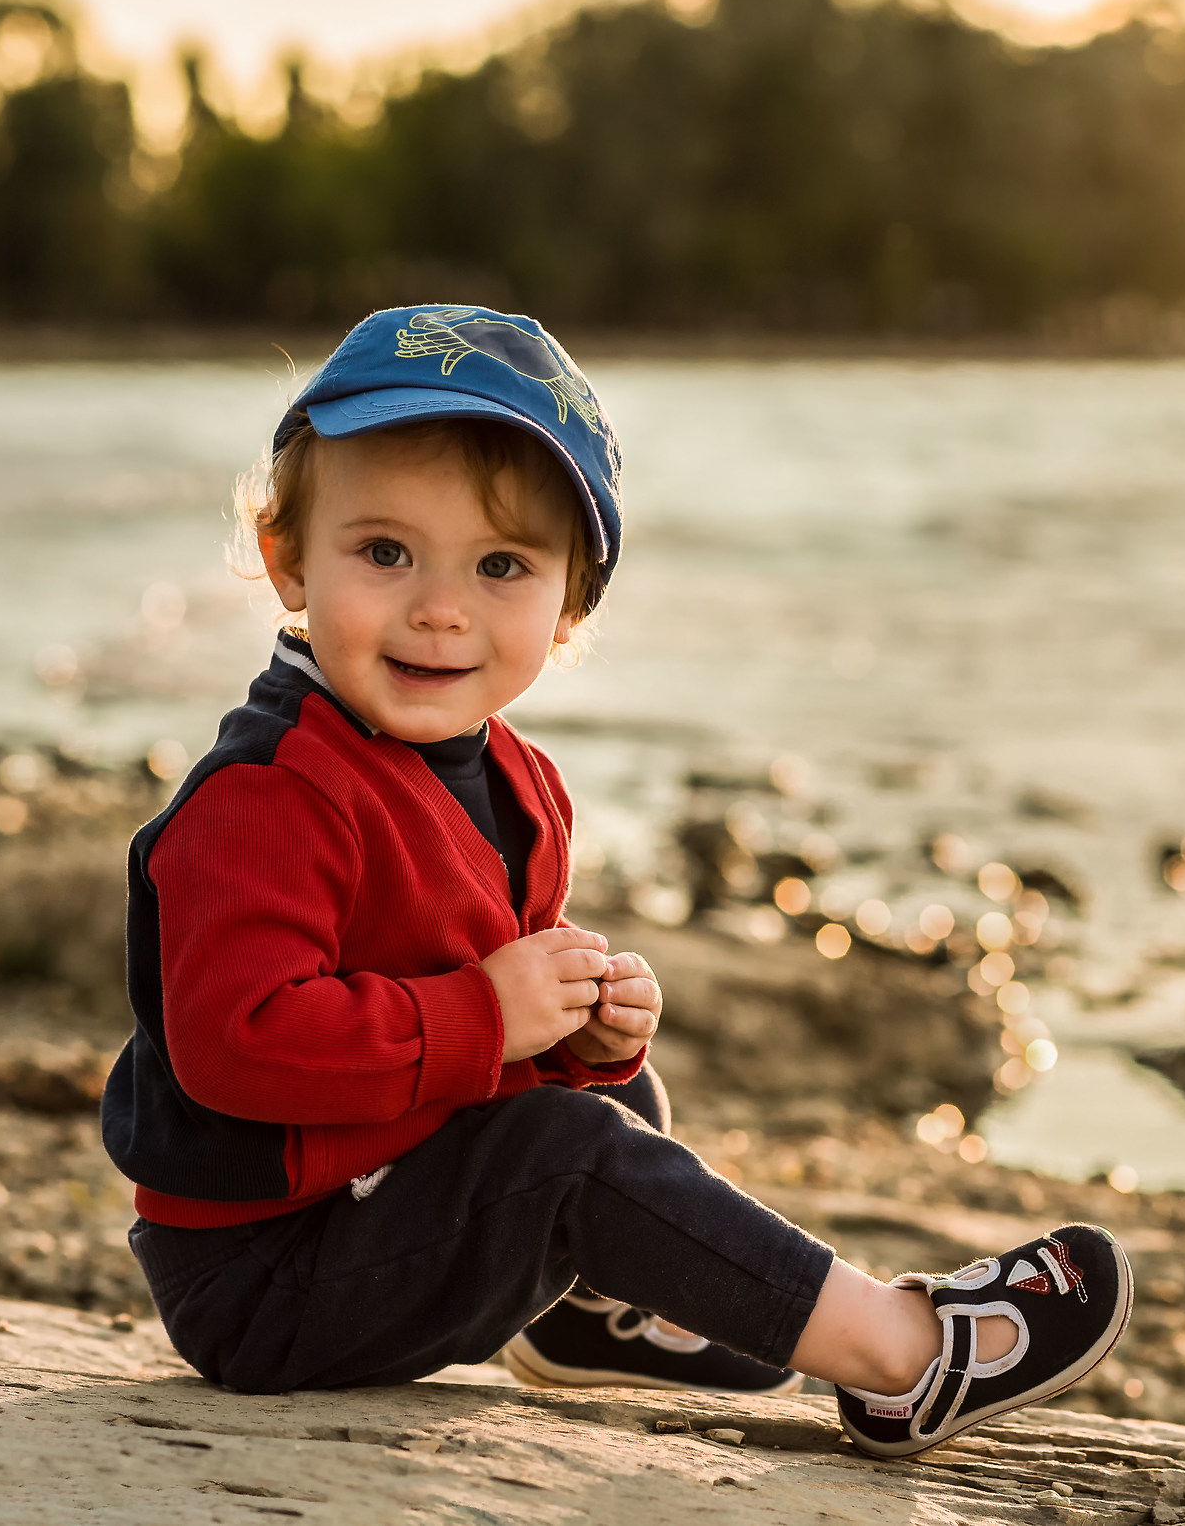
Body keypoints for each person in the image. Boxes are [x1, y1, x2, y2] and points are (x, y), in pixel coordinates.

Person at [99, 304, 1130, 1457]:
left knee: (608, 1106)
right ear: (287, 557)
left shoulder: (516, 780)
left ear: (571, 607)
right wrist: (486, 1011)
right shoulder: (268, 795)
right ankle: (904, 1357)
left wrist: (572, 1033)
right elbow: (236, 1043)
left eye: (502, 567)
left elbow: (479, 1035)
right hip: (266, 1276)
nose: (440, 607)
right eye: (384, 553)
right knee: (569, 1158)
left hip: (373, 1198)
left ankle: (589, 1320)